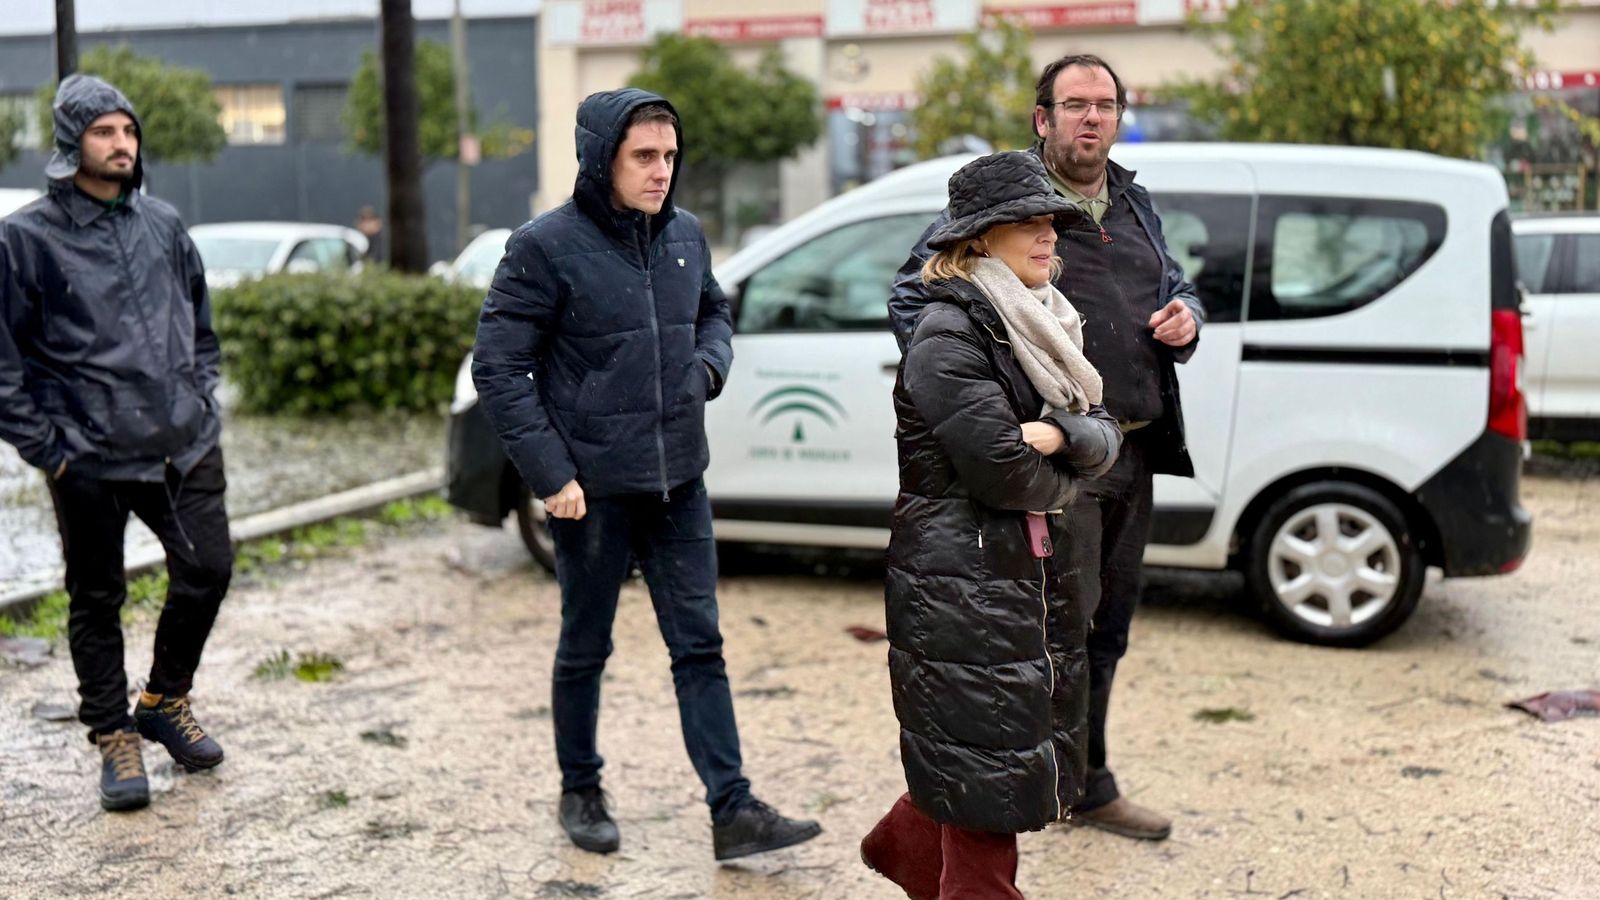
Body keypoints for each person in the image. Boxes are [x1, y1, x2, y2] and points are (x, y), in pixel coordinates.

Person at [471, 87, 822, 861]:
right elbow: (497, 367)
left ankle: (732, 809)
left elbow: (714, 313)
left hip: (679, 484)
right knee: (585, 646)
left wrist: (708, 368)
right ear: (603, 158)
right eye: (644, 157)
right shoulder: (543, 246)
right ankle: (581, 786)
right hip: (591, 493)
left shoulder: (686, 236)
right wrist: (550, 473)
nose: (662, 171)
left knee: (700, 647)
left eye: (669, 156)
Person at [889, 53, 1205, 842]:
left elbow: (1177, 281)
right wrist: (989, 397)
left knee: (1109, 630)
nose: (1091, 118)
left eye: (1104, 105)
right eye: (1074, 105)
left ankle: (1079, 782)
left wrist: (1187, 317)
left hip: (1127, 446)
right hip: (1056, 457)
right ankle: (1053, 787)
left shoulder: (1133, 200)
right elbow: (918, 293)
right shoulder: (1007, 200)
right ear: (1044, 118)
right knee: (1050, 632)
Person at [862, 150, 1122, 899]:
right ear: (977, 241)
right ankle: (930, 861)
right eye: (1028, 225)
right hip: (963, 586)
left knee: (988, 755)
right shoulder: (949, 334)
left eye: (1052, 224)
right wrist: (1067, 464)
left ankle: (905, 844)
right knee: (988, 781)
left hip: (1023, 575)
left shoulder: (1045, 321)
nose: (1049, 238)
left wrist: (1065, 438)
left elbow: (1103, 431)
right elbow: (1005, 471)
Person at [0, 75, 232, 812]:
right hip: (89, 455)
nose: (121, 143)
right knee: (96, 596)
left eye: (127, 131)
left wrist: (201, 396)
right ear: (72, 143)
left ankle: (163, 700)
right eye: (104, 132)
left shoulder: (162, 223)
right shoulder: (25, 239)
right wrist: (48, 448)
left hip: (183, 444)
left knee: (209, 568)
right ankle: (113, 735)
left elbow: (200, 324)